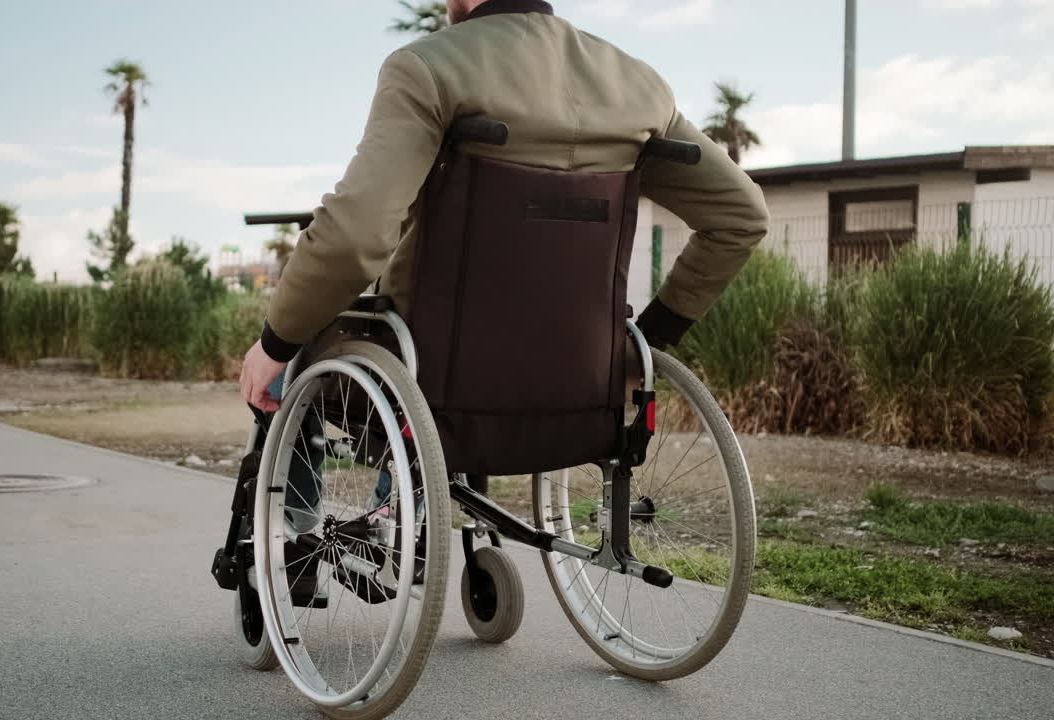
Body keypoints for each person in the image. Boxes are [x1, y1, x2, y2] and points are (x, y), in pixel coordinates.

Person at [239, 0, 769, 532]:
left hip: (438, 382)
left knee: (299, 356)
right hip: (582, 385)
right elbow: (741, 215)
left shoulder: (429, 69)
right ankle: (403, 509)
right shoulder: (638, 88)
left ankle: (299, 538)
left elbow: (353, 235)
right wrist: (644, 343)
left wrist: (276, 343)